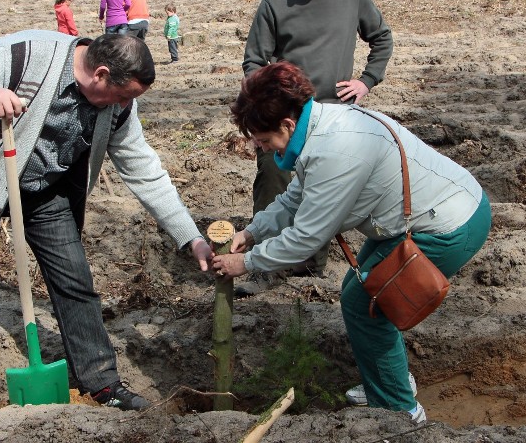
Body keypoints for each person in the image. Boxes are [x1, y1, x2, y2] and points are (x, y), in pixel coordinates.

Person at [0, 32, 213, 412]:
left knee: (75, 282)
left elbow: (144, 170)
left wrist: (189, 237)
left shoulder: (118, 106)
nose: (126, 105)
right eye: (124, 96)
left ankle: (103, 384)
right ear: (101, 74)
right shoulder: (23, 56)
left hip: (44, 189)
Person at [210, 62, 491, 424]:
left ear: (287, 125)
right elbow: (294, 200)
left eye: (263, 140)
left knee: (368, 305)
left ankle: (399, 411)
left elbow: (307, 237)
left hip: (449, 223)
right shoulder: (320, 127)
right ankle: (387, 379)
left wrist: (246, 262)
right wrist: (250, 233)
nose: (260, 148)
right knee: (360, 291)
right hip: (417, 217)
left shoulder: (336, 150)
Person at [240, 0, 394, 287]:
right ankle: (263, 267)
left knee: (322, 191)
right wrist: (267, 104)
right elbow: (253, 62)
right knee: (274, 182)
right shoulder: (274, 1)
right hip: (285, 118)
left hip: (335, 118)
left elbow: (382, 39)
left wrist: (366, 80)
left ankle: (309, 268)